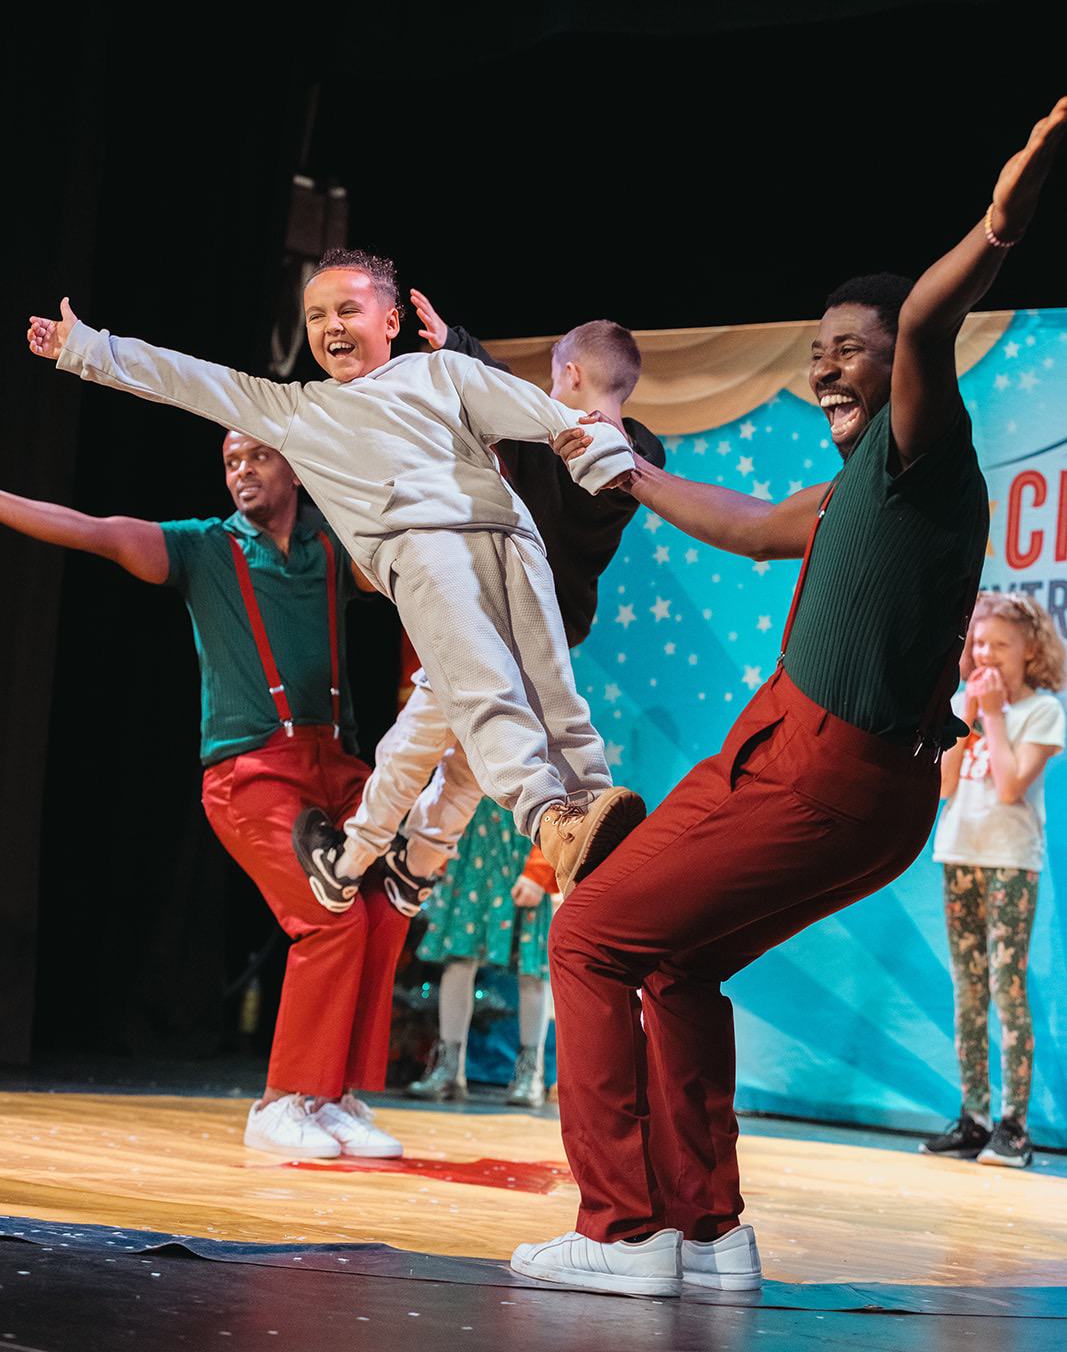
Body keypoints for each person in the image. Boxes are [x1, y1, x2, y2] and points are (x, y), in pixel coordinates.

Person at [510, 96, 1067, 1298]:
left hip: (817, 768)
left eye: (849, 346)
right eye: (817, 345)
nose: (824, 361)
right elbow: (751, 526)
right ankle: (707, 1236)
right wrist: (626, 470)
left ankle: (620, 1233)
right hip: (850, 783)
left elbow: (928, 320)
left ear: (897, 364)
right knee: (675, 965)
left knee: (588, 933)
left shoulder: (920, 449)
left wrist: (999, 219)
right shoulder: (857, 482)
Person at [27, 252, 643, 899]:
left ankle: (595, 819)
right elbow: (190, 380)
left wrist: (595, 451)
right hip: (426, 554)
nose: (332, 326)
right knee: (483, 690)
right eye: (316, 316)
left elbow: (541, 414)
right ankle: (549, 817)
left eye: (348, 309)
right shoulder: (299, 410)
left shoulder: (441, 372)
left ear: (391, 321)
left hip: (512, 540)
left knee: (555, 696)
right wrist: (88, 348)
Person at [0, 431, 405, 1158]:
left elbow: (412, 562)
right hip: (252, 774)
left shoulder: (332, 546)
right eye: (230, 462)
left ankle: (333, 1094)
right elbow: (95, 531)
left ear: (295, 467)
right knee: (329, 914)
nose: (241, 471)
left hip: (338, 765)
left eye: (257, 457)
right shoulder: (203, 548)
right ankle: (281, 1101)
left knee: (383, 907)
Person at [306, 301, 667, 921]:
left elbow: (497, 395)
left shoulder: (553, 443)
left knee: (420, 735)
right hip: (553, 631)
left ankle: (348, 860)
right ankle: (417, 868)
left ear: (572, 374)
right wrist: (460, 344)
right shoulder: (636, 458)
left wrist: (459, 346)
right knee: (477, 758)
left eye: (553, 378)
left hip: (491, 613)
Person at [923, 592, 1065, 1169]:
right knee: (968, 991)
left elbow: (1009, 788)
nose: (985, 653)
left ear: (1029, 650)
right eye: (979, 642)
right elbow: (943, 786)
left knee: (1007, 988)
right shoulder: (966, 703)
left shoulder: (1042, 710)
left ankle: (1014, 1126)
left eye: (1000, 644)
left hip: (1010, 862)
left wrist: (996, 716)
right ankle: (974, 1116)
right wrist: (969, 717)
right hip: (959, 852)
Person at [408, 797, 557, 1108]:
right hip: (472, 850)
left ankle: (531, 1073)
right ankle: (450, 1068)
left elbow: (559, 801)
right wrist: (439, 853)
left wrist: (540, 871)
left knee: (532, 966)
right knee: (458, 959)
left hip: (522, 851)